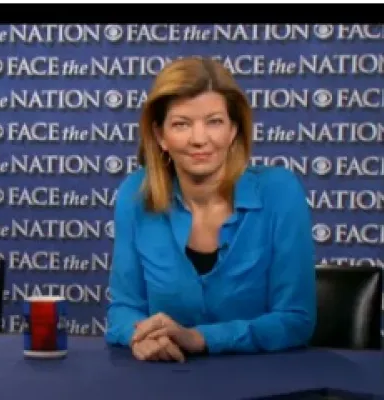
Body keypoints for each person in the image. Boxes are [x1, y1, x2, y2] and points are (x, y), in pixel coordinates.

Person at [105, 57, 316, 362]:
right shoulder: (136, 193)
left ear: (233, 130)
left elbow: (296, 320)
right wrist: (140, 337)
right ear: (160, 136)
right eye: (181, 124)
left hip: (263, 378)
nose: (199, 139)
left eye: (214, 121)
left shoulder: (279, 192)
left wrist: (200, 338)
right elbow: (124, 310)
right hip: (166, 378)